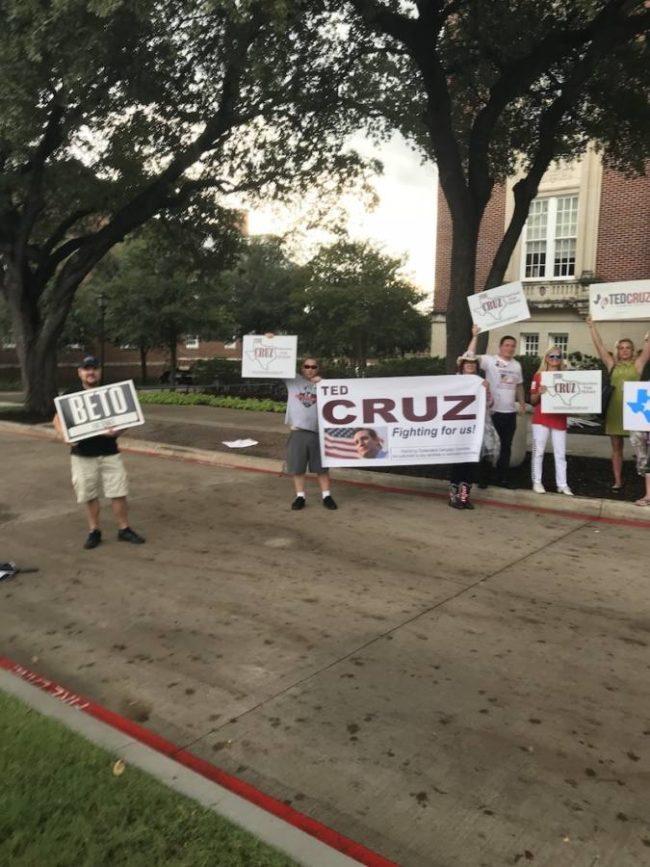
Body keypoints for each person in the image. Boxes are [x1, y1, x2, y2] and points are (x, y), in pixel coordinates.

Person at [52, 356, 145, 549]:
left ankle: (124, 529)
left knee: (118, 491)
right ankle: (94, 531)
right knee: (89, 493)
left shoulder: (111, 393)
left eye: (94, 368)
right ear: (80, 372)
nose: (90, 372)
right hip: (82, 454)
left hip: (110, 452)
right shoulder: (72, 394)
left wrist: (118, 431)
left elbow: (127, 419)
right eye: (86, 369)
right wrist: (64, 436)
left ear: (99, 371)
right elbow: (57, 419)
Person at [587, 318, 650, 492]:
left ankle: (646, 485)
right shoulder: (612, 365)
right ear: (617, 350)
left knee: (642, 450)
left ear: (632, 350)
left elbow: (648, 347)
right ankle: (618, 481)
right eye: (621, 348)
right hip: (614, 412)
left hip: (635, 412)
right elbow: (599, 347)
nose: (624, 350)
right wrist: (592, 327)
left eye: (628, 348)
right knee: (616, 449)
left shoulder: (638, 364)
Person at [466, 326, 525, 488]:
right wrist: (475, 336)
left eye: (513, 346)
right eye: (506, 345)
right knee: (489, 446)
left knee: (506, 447)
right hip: (492, 412)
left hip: (510, 413)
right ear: (500, 347)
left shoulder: (517, 365)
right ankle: (484, 479)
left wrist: (521, 403)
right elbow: (469, 356)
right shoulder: (489, 361)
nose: (510, 348)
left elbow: (519, 386)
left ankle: (502, 478)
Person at [283, 356, 338, 511]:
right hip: (298, 432)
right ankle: (300, 496)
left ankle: (326, 496)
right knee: (298, 468)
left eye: (313, 367)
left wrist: (322, 383)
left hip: (317, 432)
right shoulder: (293, 381)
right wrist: (270, 340)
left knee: (321, 468)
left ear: (317, 369)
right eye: (307, 366)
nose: (310, 369)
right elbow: (276, 366)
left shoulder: (325, 385)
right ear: (302, 368)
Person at [448, 352, 492, 509]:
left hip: (476, 427)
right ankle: (454, 496)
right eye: (467, 362)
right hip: (458, 428)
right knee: (459, 462)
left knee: (471, 462)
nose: (470, 364)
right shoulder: (455, 381)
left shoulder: (481, 382)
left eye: (473, 363)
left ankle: (464, 496)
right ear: (462, 364)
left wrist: (486, 391)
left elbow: (489, 404)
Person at [529, 347, 573, 496]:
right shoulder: (538, 376)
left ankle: (562, 484)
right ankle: (537, 481)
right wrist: (539, 393)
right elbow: (532, 400)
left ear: (561, 359)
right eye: (552, 356)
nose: (555, 359)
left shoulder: (566, 377)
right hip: (541, 418)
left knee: (560, 454)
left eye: (558, 356)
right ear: (546, 358)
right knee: (538, 452)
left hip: (559, 418)